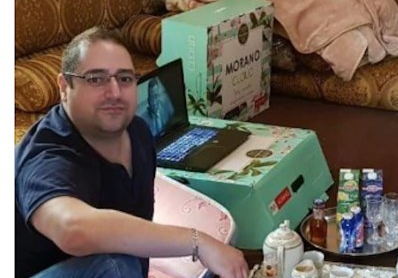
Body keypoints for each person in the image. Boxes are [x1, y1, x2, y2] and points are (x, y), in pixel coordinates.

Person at [15, 27, 249, 278]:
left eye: (125, 78)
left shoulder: (137, 131)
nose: (115, 92)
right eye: (96, 79)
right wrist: (197, 242)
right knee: (117, 265)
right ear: (64, 86)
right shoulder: (47, 156)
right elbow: (72, 230)